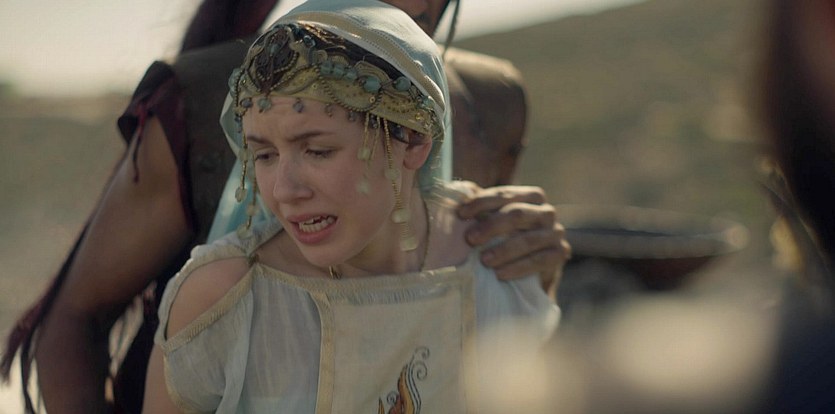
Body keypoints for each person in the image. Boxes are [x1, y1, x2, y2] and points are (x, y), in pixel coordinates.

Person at [0, 0, 570, 413]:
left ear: (416, 141)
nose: (286, 187)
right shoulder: (221, 288)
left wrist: (538, 270)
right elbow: (75, 317)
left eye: (317, 150)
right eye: (263, 155)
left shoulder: (485, 118)